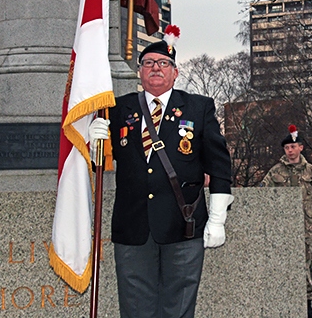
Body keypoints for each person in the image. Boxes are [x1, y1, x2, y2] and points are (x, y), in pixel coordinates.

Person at [88, 27, 234, 318]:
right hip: (133, 226)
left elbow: (219, 165)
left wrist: (217, 219)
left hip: (183, 225)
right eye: (149, 64)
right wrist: (93, 143)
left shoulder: (198, 107)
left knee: (178, 307)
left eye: (163, 63)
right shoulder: (117, 109)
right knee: (134, 308)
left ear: (175, 72)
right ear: (139, 72)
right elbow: (100, 164)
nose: (156, 69)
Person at [260, 125, 312, 318]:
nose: (290, 151)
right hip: (282, 227)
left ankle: (307, 306)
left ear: (300, 148)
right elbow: (262, 193)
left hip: (306, 227)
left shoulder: (311, 171)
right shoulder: (276, 171)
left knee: (305, 263)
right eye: (286, 148)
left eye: (293, 147)